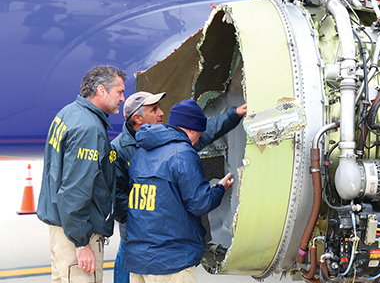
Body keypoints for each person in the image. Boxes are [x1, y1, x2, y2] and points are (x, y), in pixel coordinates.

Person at [125, 99, 235, 282]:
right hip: (171, 261)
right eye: (199, 132)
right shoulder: (183, 153)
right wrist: (220, 188)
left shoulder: (141, 152)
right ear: (192, 129)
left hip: (140, 260)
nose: (199, 138)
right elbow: (200, 203)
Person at [37, 65, 127, 283]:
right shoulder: (89, 128)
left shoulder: (69, 113)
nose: (123, 98)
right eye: (120, 92)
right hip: (76, 233)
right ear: (101, 90)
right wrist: (81, 243)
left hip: (61, 226)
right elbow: (75, 189)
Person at [111, 91, 166, 283]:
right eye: (154, 109)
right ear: (137, 118)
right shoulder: (118, 150)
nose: (162, 113)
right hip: (134, 237)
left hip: (156, 235)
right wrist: (145, 217)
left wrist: (232, 115)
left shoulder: (162, 140)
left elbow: (199, 136)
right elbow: (117, 200)